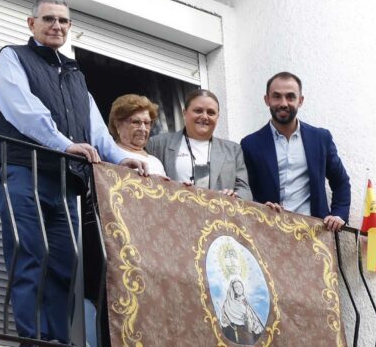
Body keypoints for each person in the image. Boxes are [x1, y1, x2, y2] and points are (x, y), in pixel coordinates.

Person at [0, 0, 147, 344]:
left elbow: (95, 128)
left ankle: (55, 339)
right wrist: (63, 144)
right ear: (32, 24)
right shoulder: (11, 57)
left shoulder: (75, 75)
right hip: (19, 167)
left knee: (63, 261)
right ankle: (35, 338)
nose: (57, 26)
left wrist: (119, 159)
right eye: (49, 19)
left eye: (63, 21)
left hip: (62, 181)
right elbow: (21, 109)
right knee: (31, 250)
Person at [240, 72, 350, 231]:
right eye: (277, 96)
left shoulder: (320, 138)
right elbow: (245, 189)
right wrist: (260, 208)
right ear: (267, 100)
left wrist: (338, 215)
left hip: (314, 234)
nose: (283, 103)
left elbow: (341, 182)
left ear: (300, 101)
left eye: (290, 97)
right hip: (268, 233)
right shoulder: (250, 144)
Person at [146, 89, 252, 199]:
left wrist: (234, 197)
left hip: (217, 215)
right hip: (173, 213)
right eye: (198, 110)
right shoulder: (157, 144)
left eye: (211, 112)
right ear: (185, 113)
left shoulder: (233, 150)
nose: (204, 116)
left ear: (217, 117)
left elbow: (244, 190)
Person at [107, 94, 167, 177]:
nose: (143, 129)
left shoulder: (156, 162)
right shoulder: (108, 154)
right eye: (135, 122)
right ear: (117, 124)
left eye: (147, 123)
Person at [218, 278, 264, 344]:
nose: (239, 288)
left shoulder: (245, 301)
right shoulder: (228, 303)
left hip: (250, 333)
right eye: (236, 287)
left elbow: (253, 318)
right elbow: (224, 321)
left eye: (240, 286)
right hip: (236, 334)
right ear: (233, 290)